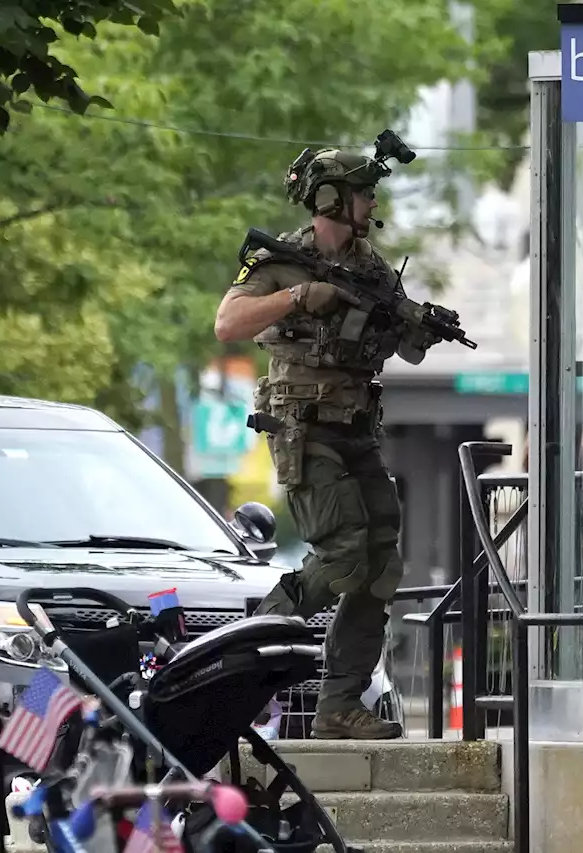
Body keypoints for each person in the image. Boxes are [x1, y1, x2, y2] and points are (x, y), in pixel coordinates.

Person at [213, 144, 438, 739]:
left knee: (379, 561)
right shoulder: (279, 260)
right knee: (341, 553)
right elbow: (228, 323)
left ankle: (339, 705)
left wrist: (416, 326)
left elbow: (394, 347)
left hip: (356, 425)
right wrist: (296, 297)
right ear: (331, 199)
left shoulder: (372, 268)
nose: (373, 203)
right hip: (302, 425)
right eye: (364, 193)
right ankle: (236, 658)